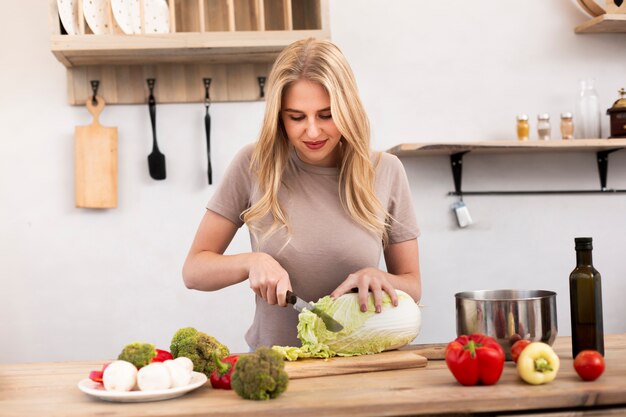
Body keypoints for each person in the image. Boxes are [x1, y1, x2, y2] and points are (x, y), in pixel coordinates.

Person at [182, 38, 421, 350]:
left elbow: (412, 285)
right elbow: (194, 271)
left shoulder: (386, 170)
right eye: (296, 117)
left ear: (347, 109)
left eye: (326, 115)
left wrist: (379, 277)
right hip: (277, 369)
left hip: (362, 368)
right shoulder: (253, 164)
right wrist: (251, 262)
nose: (312, 131)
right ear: (279, 116)